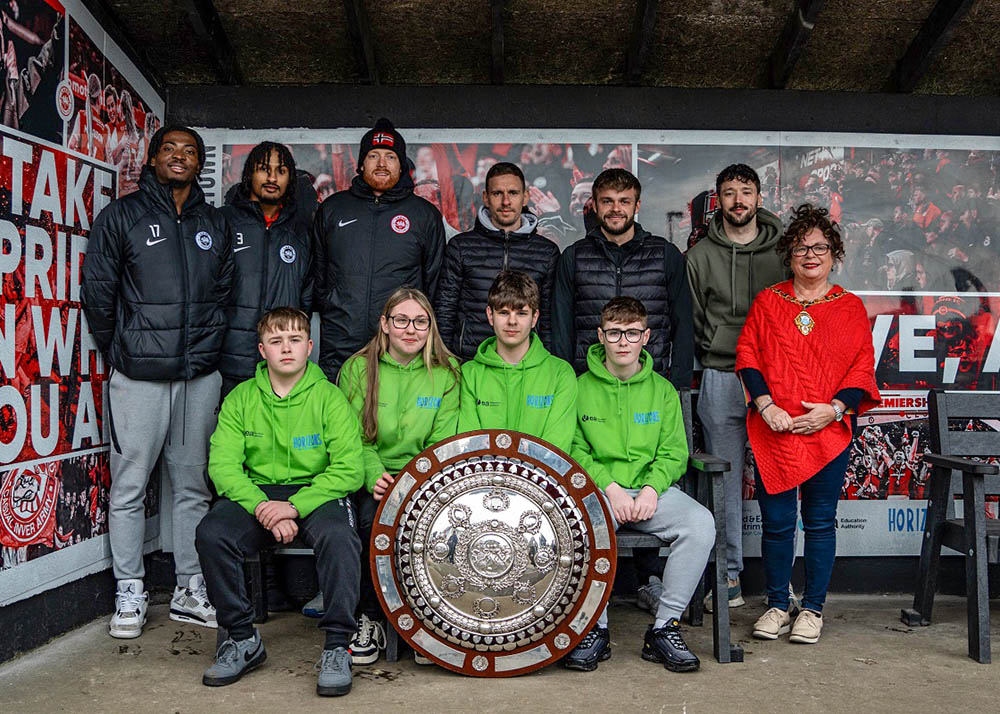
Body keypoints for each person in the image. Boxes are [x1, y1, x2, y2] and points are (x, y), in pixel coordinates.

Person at [82, 125, 232, 639]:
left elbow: (224, 296)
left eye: (190, 151)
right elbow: (99, 296)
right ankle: (129, 587)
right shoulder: (122, 216)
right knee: (129, 486)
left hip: (197, 377)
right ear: (152, 158)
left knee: (193, 487)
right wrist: (123, 352)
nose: (179, 157)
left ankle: (190, 588)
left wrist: (206, 354)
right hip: (140, 377)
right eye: (170, 148)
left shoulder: (212, 222)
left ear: (199, 164)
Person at [196, 308, 364, 696]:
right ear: (262, 350)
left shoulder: (330, 399)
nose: (285, 349)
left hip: (317, 489)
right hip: (258, 492)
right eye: (276, 341)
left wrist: (294, 507)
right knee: (212, 533)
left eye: (293, 340)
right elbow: (222, 467)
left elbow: (350, 469)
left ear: (309, 346)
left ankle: (339, 645)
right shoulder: (241, 398)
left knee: (341, 539)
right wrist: (262, 508)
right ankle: (242, 639)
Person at [735, 204, 879, 644]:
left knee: (820, 523)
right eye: (801, 247)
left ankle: (812, 609)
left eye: (819, 247)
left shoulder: (850, 307)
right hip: (774, 431)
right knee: (777, 525)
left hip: (827, 434)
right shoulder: (769, 301)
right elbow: (748, 356)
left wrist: (833, 410)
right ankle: (778, 604)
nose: (810, 254)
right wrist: (765, 406)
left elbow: (861, 369)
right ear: (789, 254)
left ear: (834, 253)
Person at [566, 297, 714, 673]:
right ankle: (593, 629)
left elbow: (674, 452)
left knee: (700, 525)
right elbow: (574, 449)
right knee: (582, 525)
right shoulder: (579, 387)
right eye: (614, 333)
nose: (622, 341)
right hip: (601, 492)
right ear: (600, 336)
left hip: (654, 494)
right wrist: (610, 488)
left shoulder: (662, 390)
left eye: (632, 333)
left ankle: (665, 628)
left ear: (645, 337)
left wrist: (651, 489)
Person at [338, 287, 460, 664]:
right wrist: (373, 473)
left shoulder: (447, 373)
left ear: (430, 326)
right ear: (385, 325)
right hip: (370, 476)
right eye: (402, 320)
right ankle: (371, 618)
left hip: (425, 479)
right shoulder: (358, 369)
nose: (411, 329)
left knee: (442, 528)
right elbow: (350, 439)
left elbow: (444, 441)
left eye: (420, 321)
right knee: (369, 524)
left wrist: (414, 483)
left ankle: (427, 621)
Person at [685, 163, 786, 609]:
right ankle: (728, 578)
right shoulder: (700, 256)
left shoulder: (785, 253)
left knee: (778, 482)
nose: (738, 200)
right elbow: (692, 320)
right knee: (722, 485)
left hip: (776, 380)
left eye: (746, 191)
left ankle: (781, 585)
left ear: (759, 198)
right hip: (722, 375)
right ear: (718, 200)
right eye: (729, 193)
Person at [311, 117, 445, 381]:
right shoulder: (333, 208)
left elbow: (434, 284)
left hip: (399, 348)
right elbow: (319, 275)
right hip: (340, 346)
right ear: (361, 163)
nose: (382, 163)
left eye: (390, 157)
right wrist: (334, 305)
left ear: (402, 165)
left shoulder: (424, 215)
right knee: (339, 420)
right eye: (373, 155)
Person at [552, 168, 693, 392]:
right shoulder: (574, 257)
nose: (616, 209)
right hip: (588, 386)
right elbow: (561, 330)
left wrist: (678, 385)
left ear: (636, 206)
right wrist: (567, 384)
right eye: (607, 201)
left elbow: (683, 325)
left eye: (624, 201)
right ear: (595, 206)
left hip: (651, 384)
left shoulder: (666, 255)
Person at [434, 162, 561, 360]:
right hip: (469, 360)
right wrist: (445, 360)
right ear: (485, 197)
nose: (506, 201)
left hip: (526, 364)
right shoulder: (461, 247)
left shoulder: (546, 252)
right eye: (497, 193)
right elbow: (445, 310)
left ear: (525, 196)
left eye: (513, 193)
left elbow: (547, 318)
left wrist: (545, 361)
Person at [219, 141, 313, 397]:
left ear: (290, 179)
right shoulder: (222, 221)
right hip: (227, 366)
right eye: (264, 169)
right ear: (250, 174)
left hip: (281, 369)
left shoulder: (300, 233)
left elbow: (305, 301)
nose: (272, 178)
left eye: (281, 171)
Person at [459, 271, 576, 453]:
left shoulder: (561, 373)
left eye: (521, 313)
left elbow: (555, 449)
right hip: (484, 479)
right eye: (504, 312)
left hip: (541, 480)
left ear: (534, 318)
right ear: (490, 315)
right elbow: (469, 445)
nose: (512, 321)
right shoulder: (469, 374)